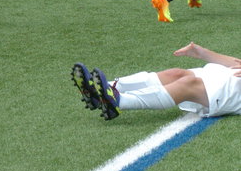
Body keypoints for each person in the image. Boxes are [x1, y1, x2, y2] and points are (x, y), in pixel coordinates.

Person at [71, 42, 241, 121]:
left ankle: (118, 102)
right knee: (175, 74)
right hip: (225, 74)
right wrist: (202, 52)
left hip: (233, 93)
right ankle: (102, 89)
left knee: (188, 85)